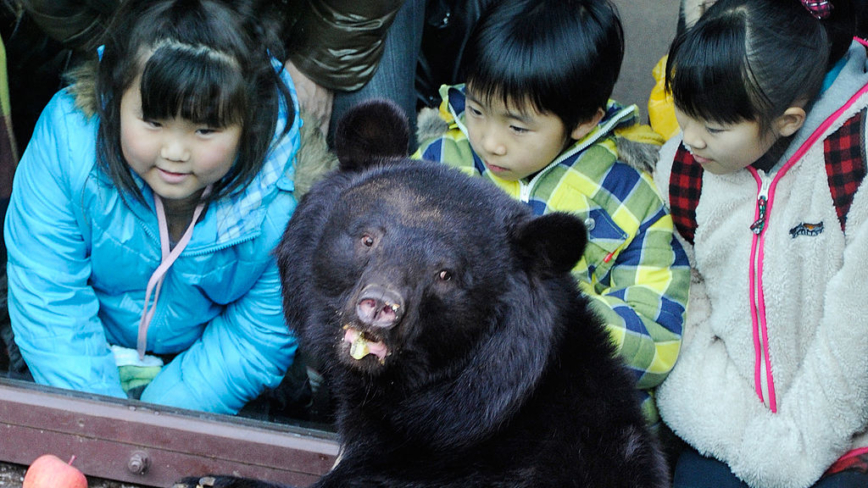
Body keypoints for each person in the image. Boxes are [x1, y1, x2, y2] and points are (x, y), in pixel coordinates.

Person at [3, 0, 302, 415]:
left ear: (249, 121)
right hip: (73, 359)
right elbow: (48, 290)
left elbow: (256, 336)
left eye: (205, 128)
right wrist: (101, 415)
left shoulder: (283, 204)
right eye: (154, 121)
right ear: (114, 94)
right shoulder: (69, 146)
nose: (175, 152)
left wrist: (162, 419)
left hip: (201, 377)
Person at [415, 0, 691, 428]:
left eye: (517, 127)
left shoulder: (629, 198)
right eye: (476, 110)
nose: (490, 142)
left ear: (584, 120)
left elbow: (657, 341)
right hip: (443, 404)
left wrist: (541, 321)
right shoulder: (433, 165)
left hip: (562, 418)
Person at [652, 0, 868, 486]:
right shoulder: (681, 171)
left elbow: (858, 326)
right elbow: (682, 317)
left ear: (788, 120)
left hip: (850, 434)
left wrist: (795, 451)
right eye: (682, 115)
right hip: (733, 428)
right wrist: (748, 439)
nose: (690, 140)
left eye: (713, 127)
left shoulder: (854, 154)